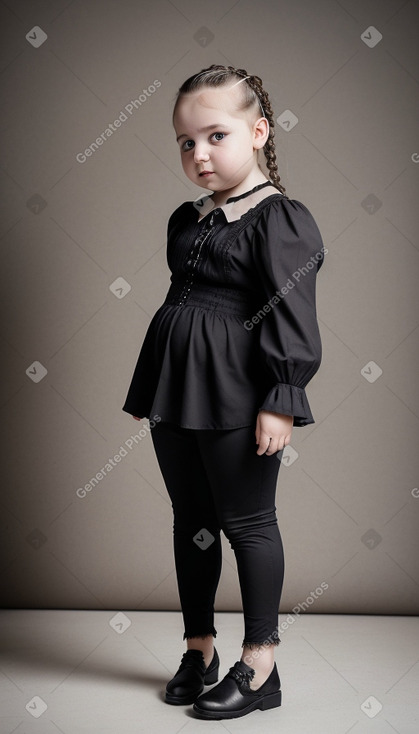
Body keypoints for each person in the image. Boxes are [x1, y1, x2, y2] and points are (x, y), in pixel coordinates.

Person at [122, 64, 326, 720]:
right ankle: (199, 650)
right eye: (186, 142)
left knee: (247, 522)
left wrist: (280, 396)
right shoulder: (193, 218)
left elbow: (292, 315)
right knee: (194, 523)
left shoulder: (279, 220)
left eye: (215, 135)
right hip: (175, 387)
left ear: (259, 131)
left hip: (239, 391)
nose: (199, 154)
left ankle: (259, 665)